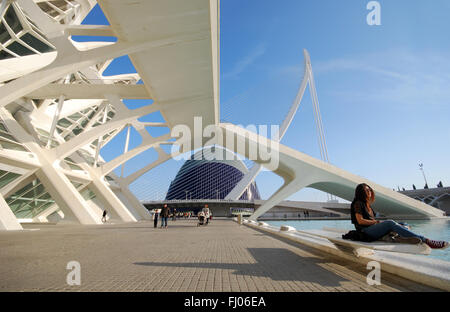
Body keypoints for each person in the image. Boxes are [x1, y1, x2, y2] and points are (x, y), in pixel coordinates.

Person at [351, 183, 449, 249]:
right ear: (361, 193)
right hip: (365, 232)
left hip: (372, 229)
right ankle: (426, 240)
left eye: (369, 190)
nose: (369, 192)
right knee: (390, 222)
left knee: (403, 224)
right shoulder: (358, 203)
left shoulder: (367, 204)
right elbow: (360, 221)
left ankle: (397, 237)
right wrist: (377, 222)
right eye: (366, 190)